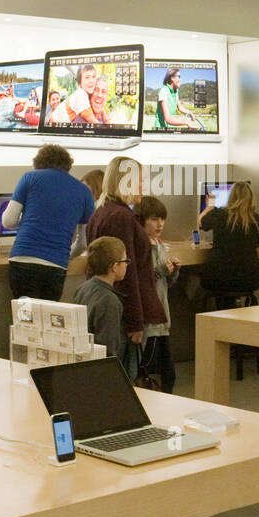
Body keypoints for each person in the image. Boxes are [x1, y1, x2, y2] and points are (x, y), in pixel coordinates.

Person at [87, 157, 166, 368]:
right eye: (140, 180)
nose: (143, 186)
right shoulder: (121, 217)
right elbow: (126, 272)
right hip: (122, 314)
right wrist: (135, 321)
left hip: (113, 307)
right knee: (123, 374)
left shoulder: (102, 212)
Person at [3, 144, 96, 301]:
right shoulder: (83, 191)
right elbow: (83, 242)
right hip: (56, 265)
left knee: (25, 321)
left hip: (23, 259)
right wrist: (65, 257)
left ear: (39, 162)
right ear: (67, 164)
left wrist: (29, 221)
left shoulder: (30, 178)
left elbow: (8, 221)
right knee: (49, 321)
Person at [197, 180, 259, 307]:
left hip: (218, 277)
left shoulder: (220, 215)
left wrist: (209, 206)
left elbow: (201, 223)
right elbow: (258, 242)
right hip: (250, 278)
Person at [134, 195, 179, 392]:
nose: (160, 224)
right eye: (154, 219)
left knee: (166, 373)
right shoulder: (141, 246)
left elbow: (166, 282)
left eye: (162, 219)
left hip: (161, 317)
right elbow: (142, 279)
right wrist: (162, 271)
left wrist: (173, 271)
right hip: (150, 319)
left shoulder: (159, 245)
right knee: (151, 370)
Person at [71, 236, 127, 360]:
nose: (126, 265)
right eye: (125, 261)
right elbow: (108, 348)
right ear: (114, 266)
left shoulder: (83, 288)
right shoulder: (110, 300)